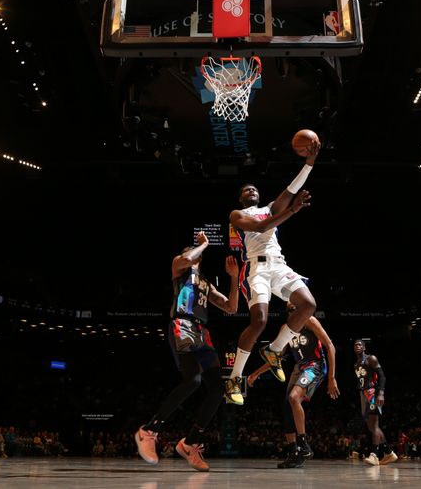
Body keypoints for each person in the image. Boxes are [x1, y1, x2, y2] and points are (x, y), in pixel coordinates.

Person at [224, 139, 321, 405]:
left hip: (279, 264)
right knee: (259, 321)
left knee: (308, 304)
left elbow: (292, 188)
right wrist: (292, 211)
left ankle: (274, 350)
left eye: (254, 188)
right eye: (246, 189)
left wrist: (309, 162)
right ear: (242, 198)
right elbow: (261, 227)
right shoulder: (238, 214)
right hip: (257, 268)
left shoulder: (270, 207)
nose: (251, 190)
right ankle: (234, 379)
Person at [135, 232, 239, 472]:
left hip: (203, 332)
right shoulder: (180, 267)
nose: (193, 257)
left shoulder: (205, 282)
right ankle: (149, 430)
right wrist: (203, 245)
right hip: (182, 325)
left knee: (217, 388)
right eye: (192, 253)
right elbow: (186, 259)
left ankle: (190, 442)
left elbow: (231, 307)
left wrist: (233, 279)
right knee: (192, 381)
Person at [247, 302, 339, 468]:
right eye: (288, 303)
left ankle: (303, 445)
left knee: (293, 397)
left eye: (294, 302)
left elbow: (330, 346)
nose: (291, 303)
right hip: (300, 366)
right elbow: (276, 358)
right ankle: (293, 453)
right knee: (286, 405)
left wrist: (332, 378)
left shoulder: (310, 320)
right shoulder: (285, 328)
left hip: (315, 364)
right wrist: (256, 373)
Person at [353, 339, 397, 466]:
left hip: (372, 393)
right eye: (355, 345)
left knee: (374, 425)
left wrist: (381, 393)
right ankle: (389, 453)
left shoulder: (370, 359)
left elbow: (382, 376)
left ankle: (374, 455)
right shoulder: (356, 364)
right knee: (371, 427)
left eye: (359, 344)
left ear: (364, 347)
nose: (357, 346)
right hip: (363, 394)